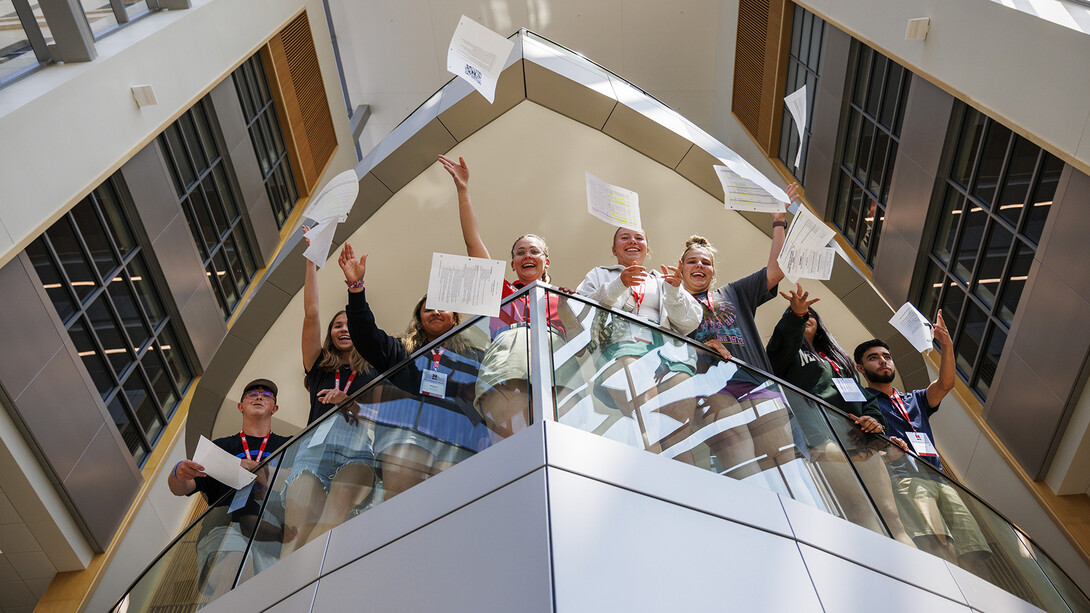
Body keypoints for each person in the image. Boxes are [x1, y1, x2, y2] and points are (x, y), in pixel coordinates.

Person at [766, 284, 912, 544]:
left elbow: (865, 399)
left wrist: (874, 421)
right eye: (800, 314)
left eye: (810, 314)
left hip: (858, 437)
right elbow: (777, 350)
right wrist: (794, 315)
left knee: (892, 517)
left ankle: (917, 580)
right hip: (821, 434)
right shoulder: (787, 355)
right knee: (859, 511)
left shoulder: (838, 359)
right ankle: (882, 574)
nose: (806, 317)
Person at [340, 242, 488, 498]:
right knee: (402, 506)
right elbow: (366, 336)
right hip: (405, 434)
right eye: (428, 308)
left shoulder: (476, 356)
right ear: (419, 318)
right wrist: (356, 289)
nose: (435, 312)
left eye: (442, 306)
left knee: (450, 509)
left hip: (457, 438)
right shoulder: (401, 350)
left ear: (455, 317)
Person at [439, 154, 567, 439]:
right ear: (512, 265)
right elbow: (473, 241)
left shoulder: (565, 298)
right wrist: (463, 192)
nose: (527, 256)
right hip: (508, 368)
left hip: (556, 369)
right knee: (515, 439)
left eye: (534, 251)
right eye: (520, 252)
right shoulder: (503, 292)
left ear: (547, 260)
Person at [855, 316, 992, 576]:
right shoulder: (862, 400)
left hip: (940, 479)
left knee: (974, 552)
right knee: (940, 547)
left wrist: (947, 344)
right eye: (873, 358)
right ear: (861, 369)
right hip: (904, 477)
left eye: (886, 356)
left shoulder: (914, 398)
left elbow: (945, 384)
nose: (883, 360)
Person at [280, 246, 379, 556]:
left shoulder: (375, 368)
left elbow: (385, 413)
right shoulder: (320, 367)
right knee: (294, 533)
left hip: (357, 447)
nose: (343, 329)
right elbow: (311, 314)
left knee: (332, 517)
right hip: (313, 451)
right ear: (331, 334)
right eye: (338, 325)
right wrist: (312, 262)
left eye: (350, 324)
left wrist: (348, 402)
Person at [575, 225, 703, 452]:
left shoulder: (663, 279)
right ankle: (652, 473)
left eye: (639, 238)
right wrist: (618, 285)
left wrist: (674, 292)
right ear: (614, 249)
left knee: (679, 428)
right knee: (645, 409)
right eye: (625, 238)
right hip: (622, 346)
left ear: (647, 249)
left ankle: (681, 481)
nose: (632, 241)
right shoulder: (599, 274)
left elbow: (690, 323)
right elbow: (580, 310)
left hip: (668, 353)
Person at [168, 379, 290, 602]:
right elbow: (181, 488)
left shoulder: (289, 445)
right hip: (226, 525)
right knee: (235, 572)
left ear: (275, 409)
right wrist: (179, 472)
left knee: (268, 597)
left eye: (267, 395)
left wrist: (258, 469)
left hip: (276, 532)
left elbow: (299, 476)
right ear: (240, 406)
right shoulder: (220, 447)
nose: (259, 396)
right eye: (252, 393)